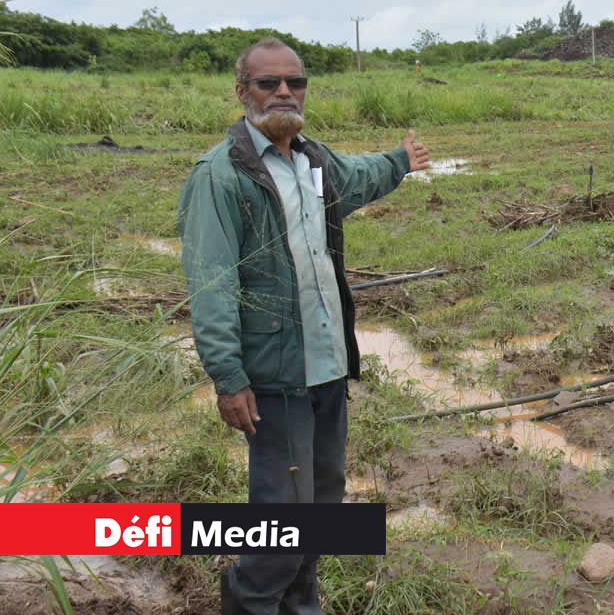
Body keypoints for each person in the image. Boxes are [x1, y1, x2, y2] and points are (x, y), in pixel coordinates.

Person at [177, 37, 430, 614]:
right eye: (269, 83)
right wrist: (227, 375)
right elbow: (213, 283)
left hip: (327, 369)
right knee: (278, 525)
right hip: (275, 379)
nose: (285, 92)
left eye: (295, 81)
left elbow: (357, 178)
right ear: (243, 92)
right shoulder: (222, 176)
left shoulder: (312, 159)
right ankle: (250, 605)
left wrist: (398, 161)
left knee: (318, 512)